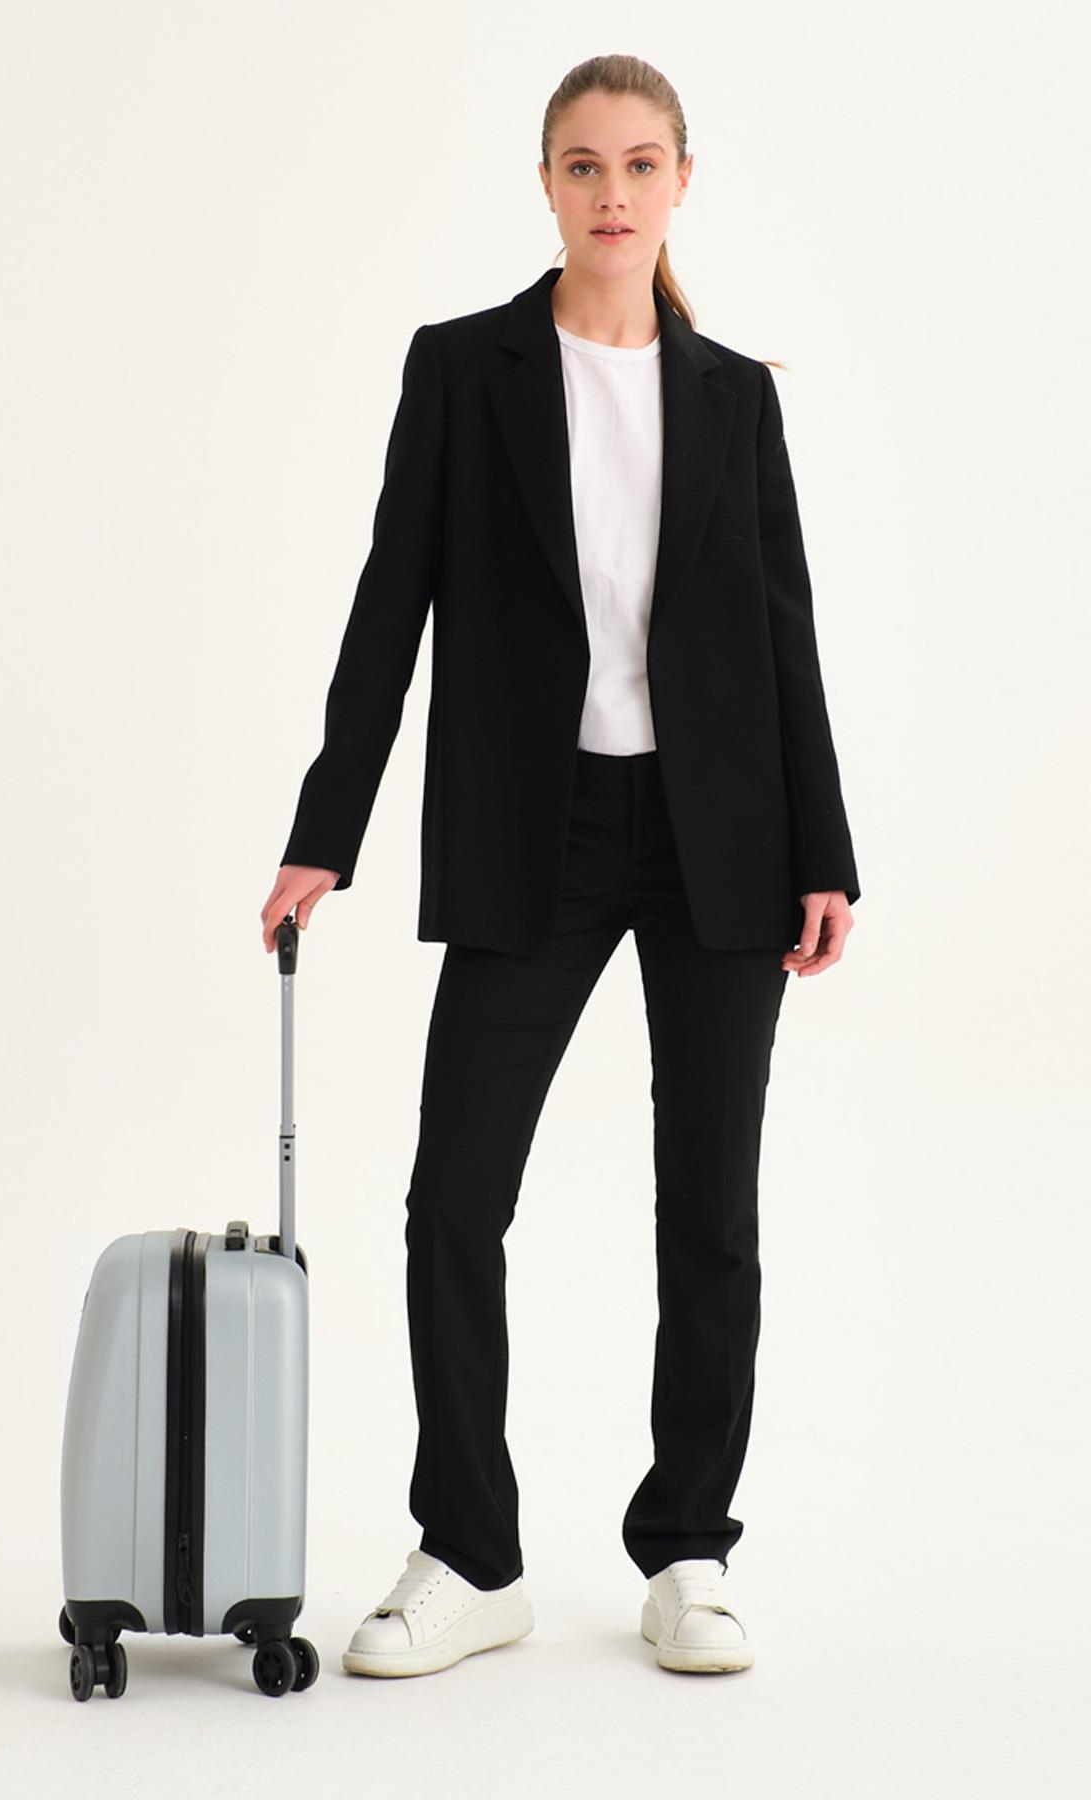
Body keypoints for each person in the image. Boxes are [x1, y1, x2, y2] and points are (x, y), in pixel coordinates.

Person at [259, 53, 860, 1679]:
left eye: (640, 163)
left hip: (722, 839)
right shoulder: (465, 369)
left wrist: (825, 850)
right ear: (545, 183)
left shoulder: (735, 397)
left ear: (681, 182)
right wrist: (326, 830)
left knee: (709, 1209)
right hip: (537, 827)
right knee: (454, 1199)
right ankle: (471, 1553)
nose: (612, 193)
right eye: (584, 165)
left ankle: (689, 1551)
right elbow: (390, 604)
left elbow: (785, 634)